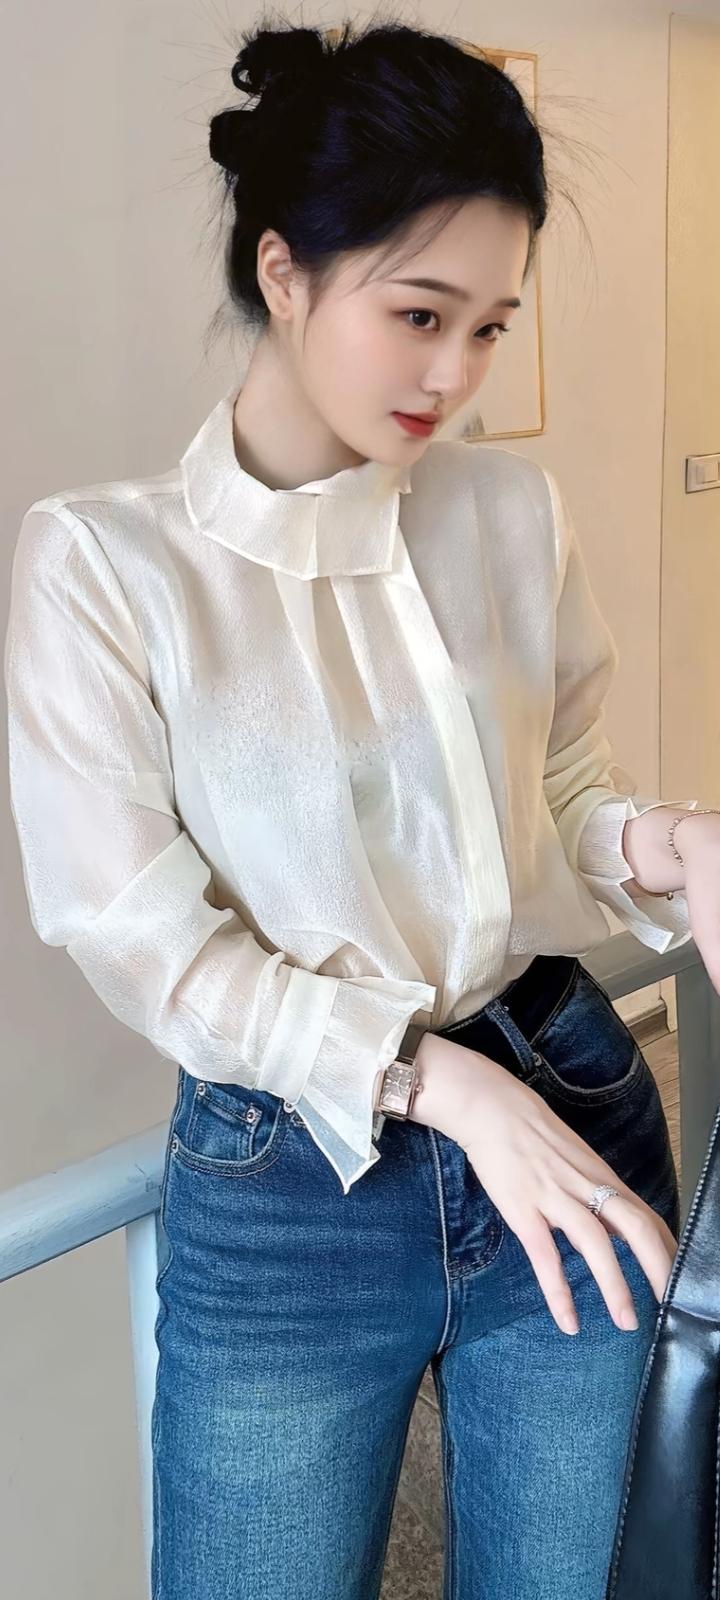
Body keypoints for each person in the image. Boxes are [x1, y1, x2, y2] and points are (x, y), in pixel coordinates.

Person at [3, 14, 708, 1599]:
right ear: (283, 272)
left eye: (492, 326)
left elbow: (560, 789)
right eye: (419, 314)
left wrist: (671, 843)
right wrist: (437, 1087)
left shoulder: (506, 512)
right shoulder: (108, 568)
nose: (456, 375)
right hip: (290, 1189)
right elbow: (145, 941)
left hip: (562, 1091)